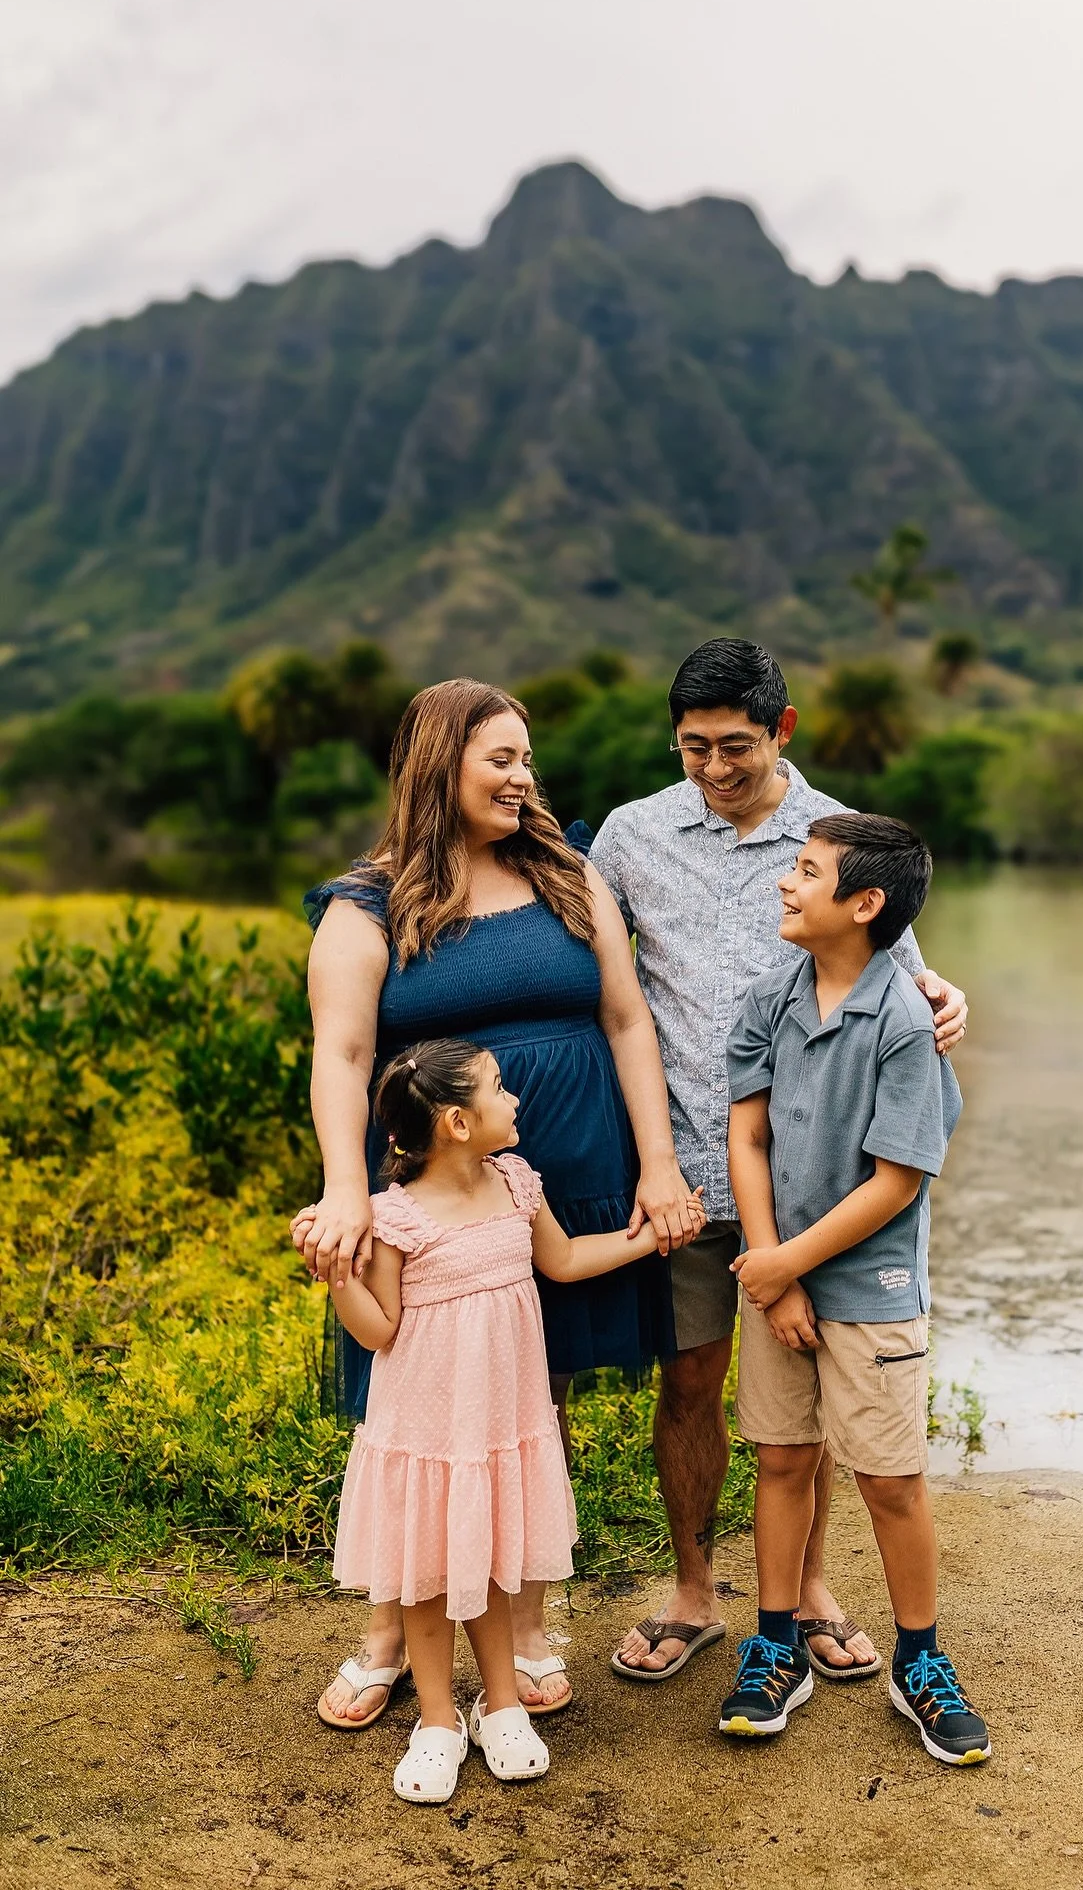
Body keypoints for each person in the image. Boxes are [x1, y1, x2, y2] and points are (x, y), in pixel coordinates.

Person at [294, 679, 696, 1729]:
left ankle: (522, 1628)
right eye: (501, 760)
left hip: (563, 1164)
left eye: (527, 759)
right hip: (434, 1186)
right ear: (440, 767)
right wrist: (348, 1190)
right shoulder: (367, 902)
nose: (524, 777)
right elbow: (340, 1054)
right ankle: (391, 1628)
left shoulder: (568, 877)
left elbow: (628, 1021)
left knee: (533, 1391)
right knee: (409, 1398)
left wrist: (657, 1165)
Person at [592, 640, 969, 1684]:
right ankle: (690, 1590)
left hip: (813, 1184)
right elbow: (588, 969)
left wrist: (949, 997)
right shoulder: (629, 836)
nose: (713, 769)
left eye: (737, 748)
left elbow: (900, 972)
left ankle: (803, 1588)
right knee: (692, 1381)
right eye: (693, 748)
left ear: (783, 731)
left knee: (800, 1400)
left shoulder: (837, 840)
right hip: (682, 1172)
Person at [327, 1037, 705, 1802]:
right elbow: (380, 1330)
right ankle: (437, 1720)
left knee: (495, 1564)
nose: (516, 1101)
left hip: (500, 1425)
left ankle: (500, 1706)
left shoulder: (516, 1183)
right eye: (500, 1090)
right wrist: (337, 1275)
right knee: (427, 1577)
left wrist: (648, 1237)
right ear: (458, 1124)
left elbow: (562, 1263)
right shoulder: (392, 1217)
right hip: (429, 1434)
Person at [721, 812, 990, 1766]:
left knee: (888, 1478)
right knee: (784, 1460)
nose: (786, 884)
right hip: (777, 1278)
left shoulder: (909, 1022)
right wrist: (770, 1268)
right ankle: (775, 1644)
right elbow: (746, 1137)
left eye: (807, 871)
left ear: (864, 904)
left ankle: (919, 1660)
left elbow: (897, 1181)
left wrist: (791, 1264)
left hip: (870, 1289)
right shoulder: (766, 1001)